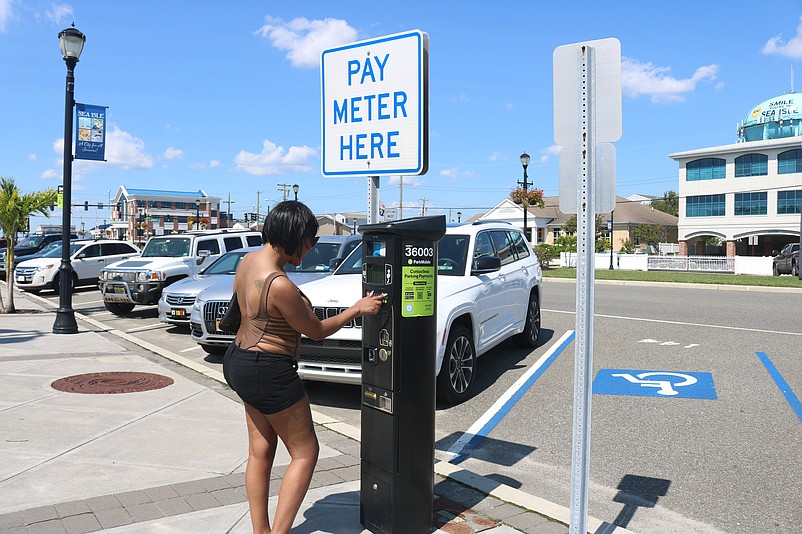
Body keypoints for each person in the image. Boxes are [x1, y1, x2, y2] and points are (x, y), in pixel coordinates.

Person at [223, 201, 383, 534]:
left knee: (261, 450)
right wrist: (358, 309)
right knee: (306, 452)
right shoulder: (279, 283)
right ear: (294, 236)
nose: (309, 252)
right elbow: (317, 331)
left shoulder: (247, 261)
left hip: (239, 360)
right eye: (308, 243)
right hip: (268, 370)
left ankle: (260, 531)